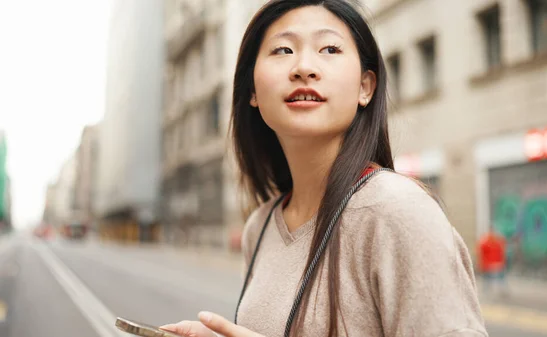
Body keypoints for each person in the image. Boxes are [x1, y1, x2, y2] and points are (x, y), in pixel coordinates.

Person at [160, 0, 488, 336]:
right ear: (253, 91)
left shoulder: (397, 212)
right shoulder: (259, 229)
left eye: (329, 48)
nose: (304, 67)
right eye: (283, 50)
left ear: (365, 87)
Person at [477, 229, 508, 297]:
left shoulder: (485, 241)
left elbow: (482, 253)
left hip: (491, 264)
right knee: (496, 277)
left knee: (488, 278)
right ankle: (500, 289)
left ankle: (488, 290)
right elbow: (502, 252)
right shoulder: (498, 241)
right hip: (495, 264)